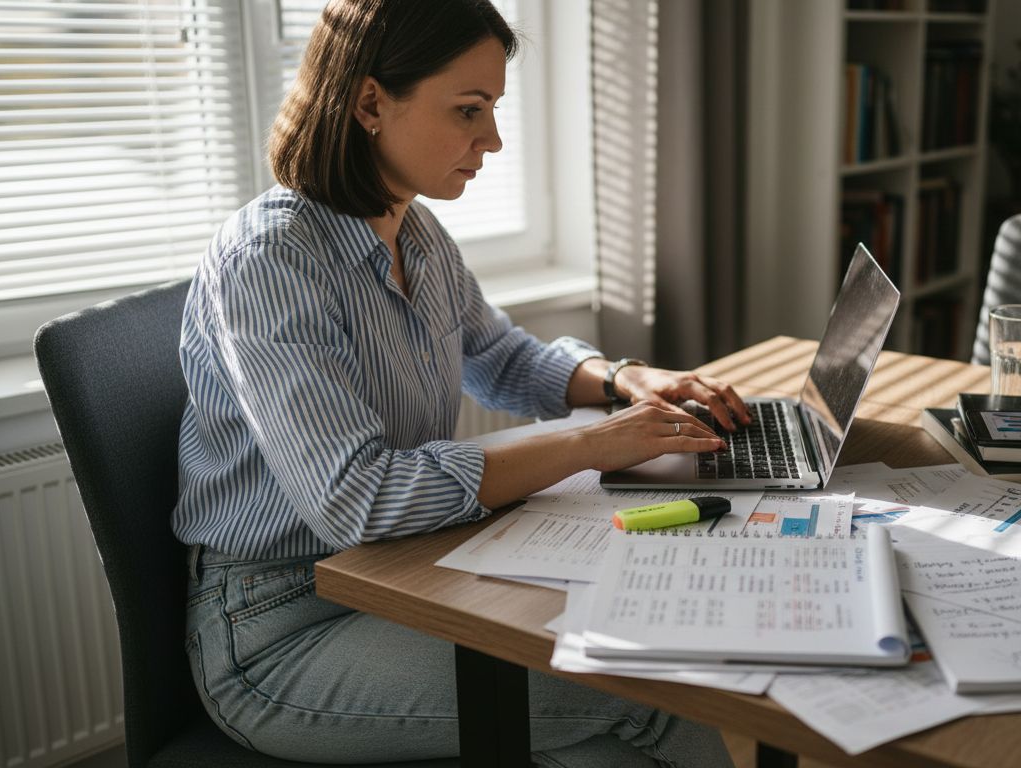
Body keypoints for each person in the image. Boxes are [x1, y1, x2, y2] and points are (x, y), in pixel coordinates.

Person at [172, 1, 746, 765]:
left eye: (494, 109)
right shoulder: (271, 261)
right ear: (370, 103)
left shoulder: (414, 229)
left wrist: (626, 381)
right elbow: (361, 498)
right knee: (646, 688)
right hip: (283, 627)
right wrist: (592, 443)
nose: (494, 140)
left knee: (619, 730)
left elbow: (501, 357)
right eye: (469, 110)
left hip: (406, 568)